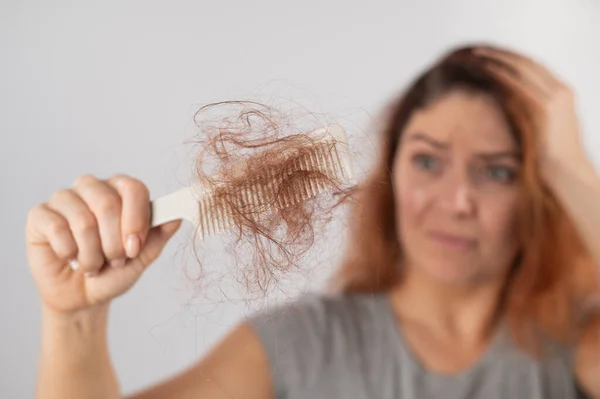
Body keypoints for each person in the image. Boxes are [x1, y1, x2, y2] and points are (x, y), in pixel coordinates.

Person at [27, 44, 600, 399]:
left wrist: (577, 172)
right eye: (426, 160)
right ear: (390, 175)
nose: (457, 201)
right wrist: (74, 318)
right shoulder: (302, 344)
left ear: (540, 191)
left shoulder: (574, 347)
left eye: (496, 172)